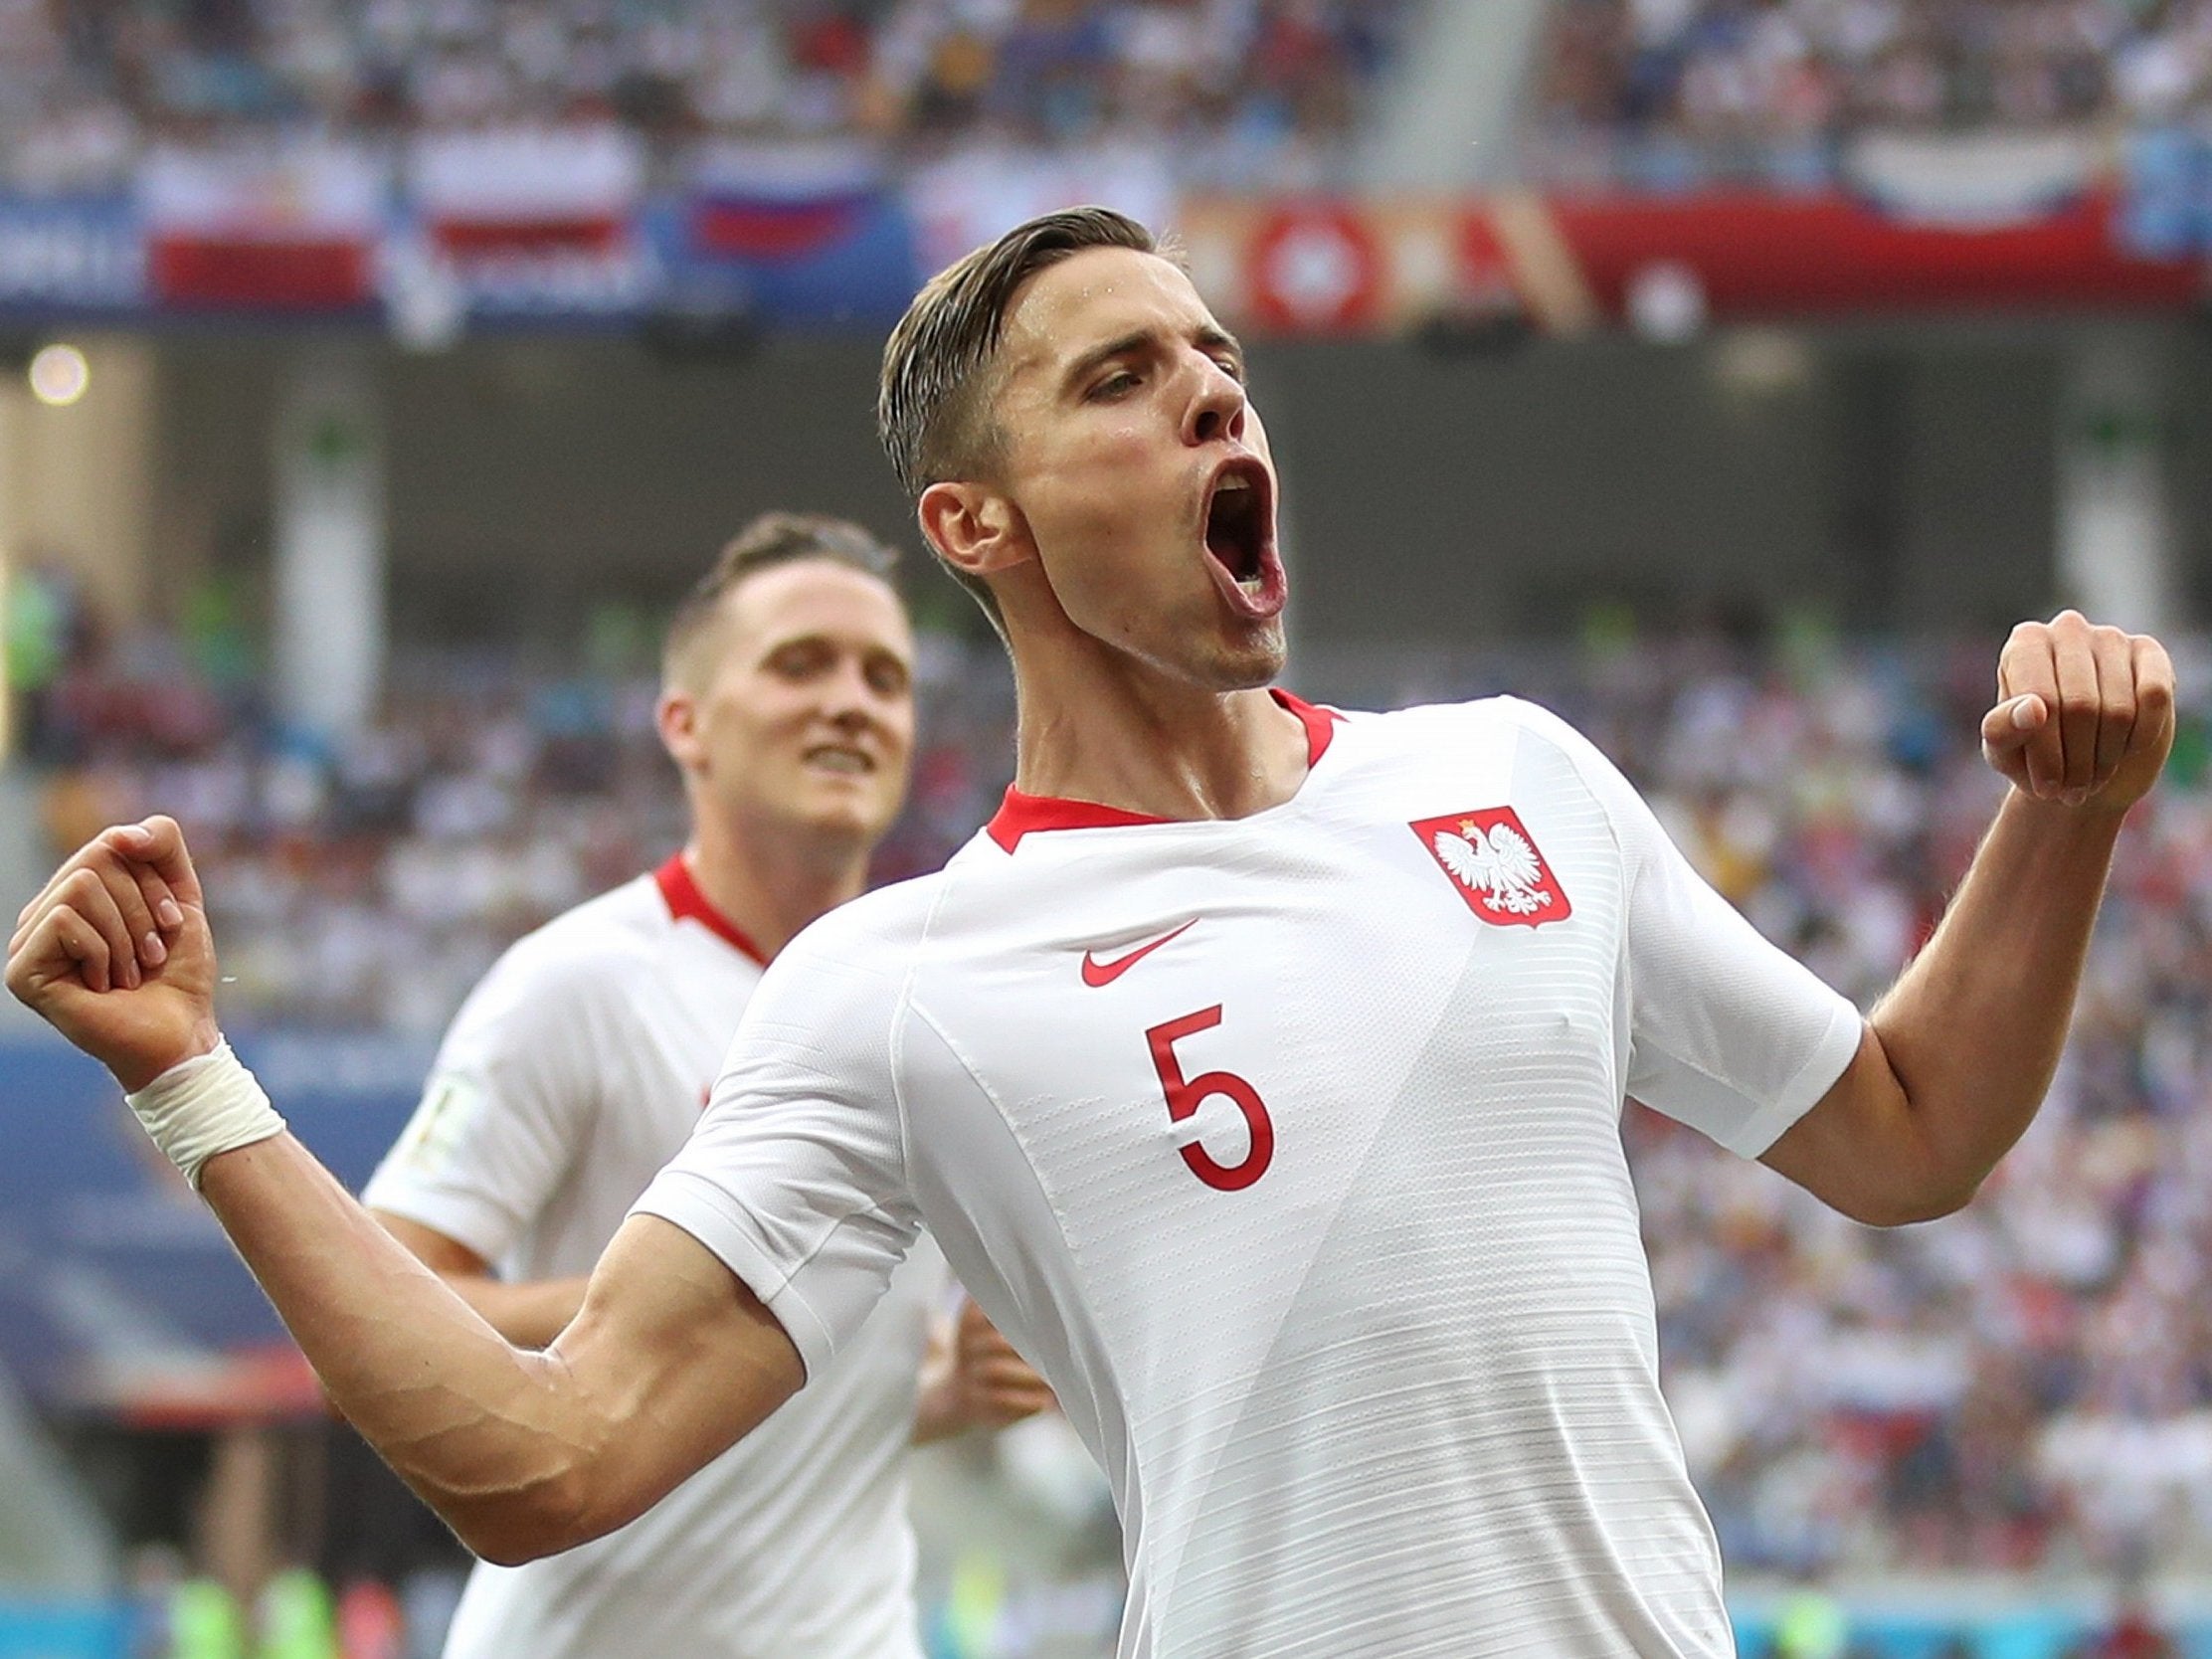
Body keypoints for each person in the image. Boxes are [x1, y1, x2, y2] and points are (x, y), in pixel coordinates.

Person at [7, 208, 2177, 1658]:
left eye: (1216, 361)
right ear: (980, 523)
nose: (1214, 395)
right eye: (1123, 378)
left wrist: (2056, 825)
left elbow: (1903, 1133)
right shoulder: (900, 989)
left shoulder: (1514, 777)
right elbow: (541, 1465)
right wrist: (192, 1082)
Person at [358, 513, 1052, 1658]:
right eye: (799, 664)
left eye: (884, 677)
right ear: (684, 722)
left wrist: (935, 1394)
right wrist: (674, 1300)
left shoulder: (931, 1008)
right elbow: (386, 1310)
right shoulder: (578, 983)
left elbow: (793, 1394)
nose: (851, 700)